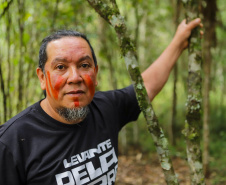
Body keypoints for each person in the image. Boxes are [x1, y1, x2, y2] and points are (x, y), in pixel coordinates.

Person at [0, 18, 202, 185]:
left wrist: (179, 41)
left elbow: (146, 86)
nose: (75, 77)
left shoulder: (105, 107)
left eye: (84, 65)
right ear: (42, 78)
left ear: (95, 74)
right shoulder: (11, 143)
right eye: (61, 67)